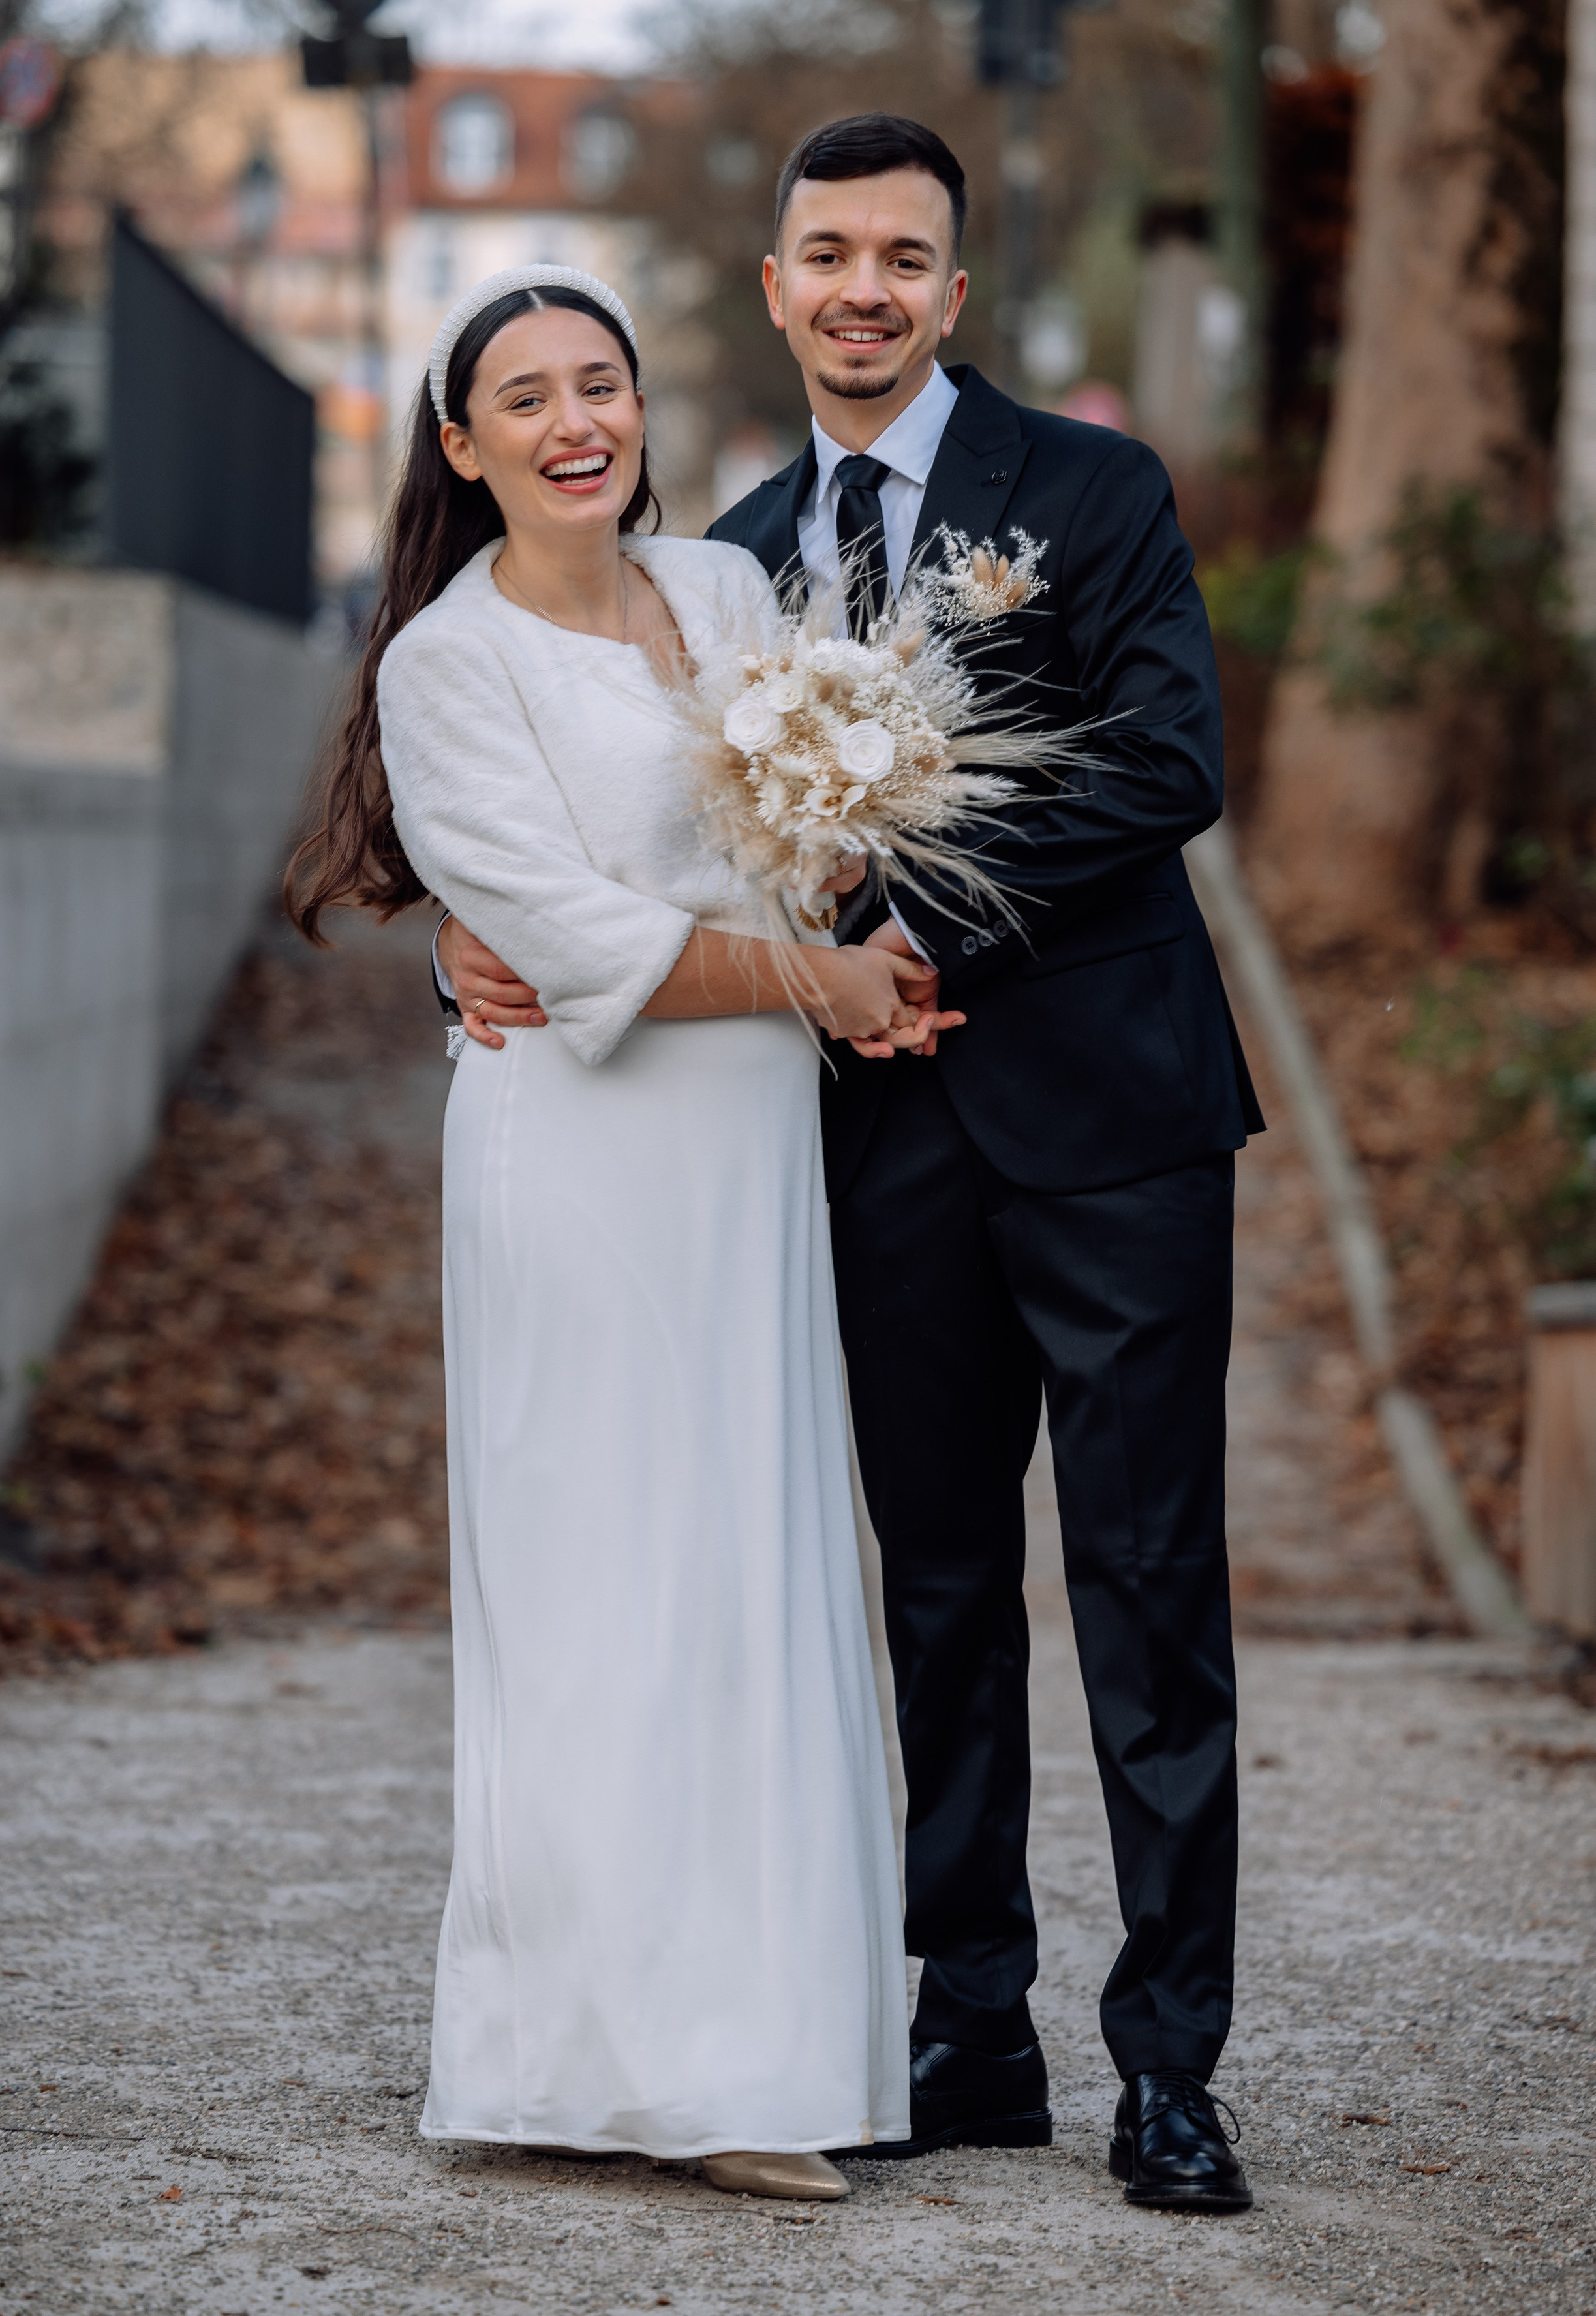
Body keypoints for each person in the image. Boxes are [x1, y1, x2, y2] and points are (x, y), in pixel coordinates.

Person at [438, 119, 1265, 2215]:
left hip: (1115, 1127)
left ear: (955, 294)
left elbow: (1173, 760)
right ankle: (968, 2024)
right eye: (830, 255)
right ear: (784, 285)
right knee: (937, 1590)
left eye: (908, 255)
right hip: (871, 1147)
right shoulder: (720, 559)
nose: (868, 288)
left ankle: (1170, 2065)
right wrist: (472, 952)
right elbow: (619, 821)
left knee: (1152, 1589)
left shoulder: (1092, 492)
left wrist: (910, 896)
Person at [288, 263, 922, 2201]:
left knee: (756, 1567)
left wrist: (841, 870)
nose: (579, 422)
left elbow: (808, 833)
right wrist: (822, 983)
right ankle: (623, 2065)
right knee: (606, 1587)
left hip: (749, 1163)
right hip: (577, 1164)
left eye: (605, 384)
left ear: (642, 409)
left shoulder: (728, 595)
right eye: (528, 396)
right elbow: (575, 946)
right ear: (462, 448)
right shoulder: (442, 668)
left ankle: (779, 2045)